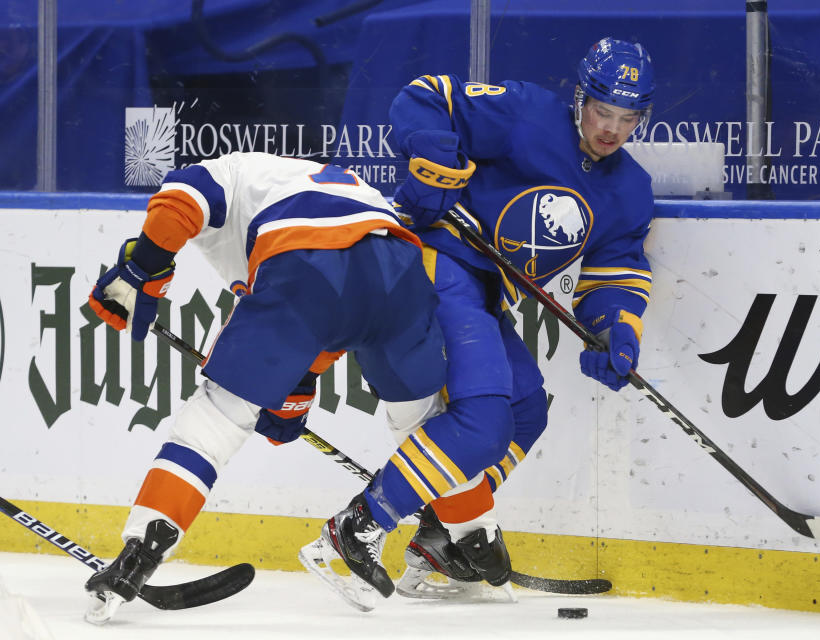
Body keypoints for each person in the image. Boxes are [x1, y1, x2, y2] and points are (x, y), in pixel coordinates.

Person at [82, 151, 451, 621]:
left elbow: (176, 202)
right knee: (424, 423)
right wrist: (298, 385)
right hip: (402, 271)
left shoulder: (232, 170)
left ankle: (144, 548)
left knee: (216, 420)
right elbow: (345, 305)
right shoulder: (340, 184)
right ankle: (468, 535)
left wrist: (142, 268)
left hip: (303, 263)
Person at [379, 36, 658, 598]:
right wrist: (432, 152)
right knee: (485, 414)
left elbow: (614, 274)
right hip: (436, 259)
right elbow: (427, 95)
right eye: (603, 111)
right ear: (580, 98)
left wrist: (615, 328)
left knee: (527, 410)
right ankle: (376, 521)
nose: (611, 129)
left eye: (628, 118)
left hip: (485, 290)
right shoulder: (525, 111)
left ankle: (439, 528)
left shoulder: (629, 190)